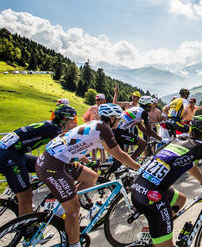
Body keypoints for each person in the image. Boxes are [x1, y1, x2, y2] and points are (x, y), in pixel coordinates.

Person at [36, 103, 140, 247]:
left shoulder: (95, 124)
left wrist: (82, 157)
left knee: (91, 177)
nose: (119, 122)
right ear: (111, 119)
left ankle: (60, 209)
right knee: (74, 210)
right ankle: (74, 244)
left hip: (56, 160)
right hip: (55, 165)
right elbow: (118, 154)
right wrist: (139, 168)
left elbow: (73, 140)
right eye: (117, 119)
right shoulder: (104, 129)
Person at [131, 115, 202, 247]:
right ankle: (160, 231)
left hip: (138, 187)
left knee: (180, 200)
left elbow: (188, 163)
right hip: (152, 197)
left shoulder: (179, 139)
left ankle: (158, 228)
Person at [0, 104, 77, 217]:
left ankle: (23, 190)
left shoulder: (50, 125)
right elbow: (63, 150)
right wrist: (84, 161)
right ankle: (27, 230)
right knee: (26, 196)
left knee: (41, 165)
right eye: (72, 120)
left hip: (14, 153)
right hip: (10, 156)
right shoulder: (54, 129)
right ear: (65, 119)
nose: (73, 123)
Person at [112, 96, 162, 170]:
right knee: (143, 144)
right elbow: (149, 130)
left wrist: (149, 135)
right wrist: (160, 139)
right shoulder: (144, 113)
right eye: (150, 105)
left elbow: (141, 127)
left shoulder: (136, 109)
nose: (151, 107)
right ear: (147, 105)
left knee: (120, 157)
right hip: (119, 132)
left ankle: (119, 168)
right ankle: (129, 165)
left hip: (116, 131)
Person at [83, 93, 107, 161]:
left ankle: (103, 167)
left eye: (99, 100)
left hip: (102, 132)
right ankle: (94, 168)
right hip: (92, 131)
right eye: (97, 100)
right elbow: (85, 117)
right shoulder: (92, 108)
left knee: (102, 151)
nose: (98, 101)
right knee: (93, 151)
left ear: (104, 100)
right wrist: (88, 125)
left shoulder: (106, 109)